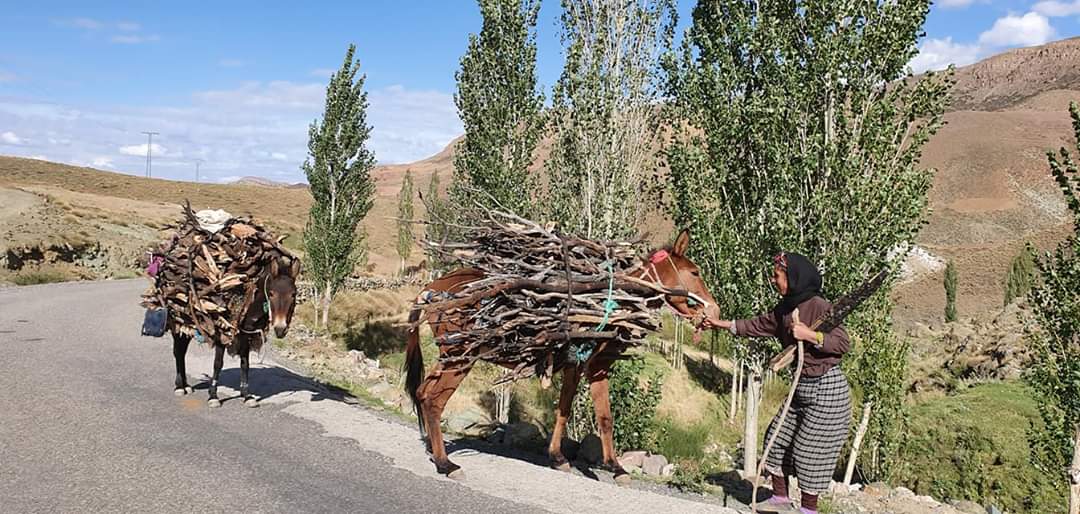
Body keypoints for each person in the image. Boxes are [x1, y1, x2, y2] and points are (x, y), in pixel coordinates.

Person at [707, 252, 852, 514]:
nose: (773, 280)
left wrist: (810, 334)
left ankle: (809, 510)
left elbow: (842, 343)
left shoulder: (819, 305)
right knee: (776, 437)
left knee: (809, 452)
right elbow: (756, 325)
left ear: (793, 277)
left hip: (827, 390)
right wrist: (720, 324)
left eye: (777, 275)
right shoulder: (784, 308)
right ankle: (781, 500)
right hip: (801, 388)